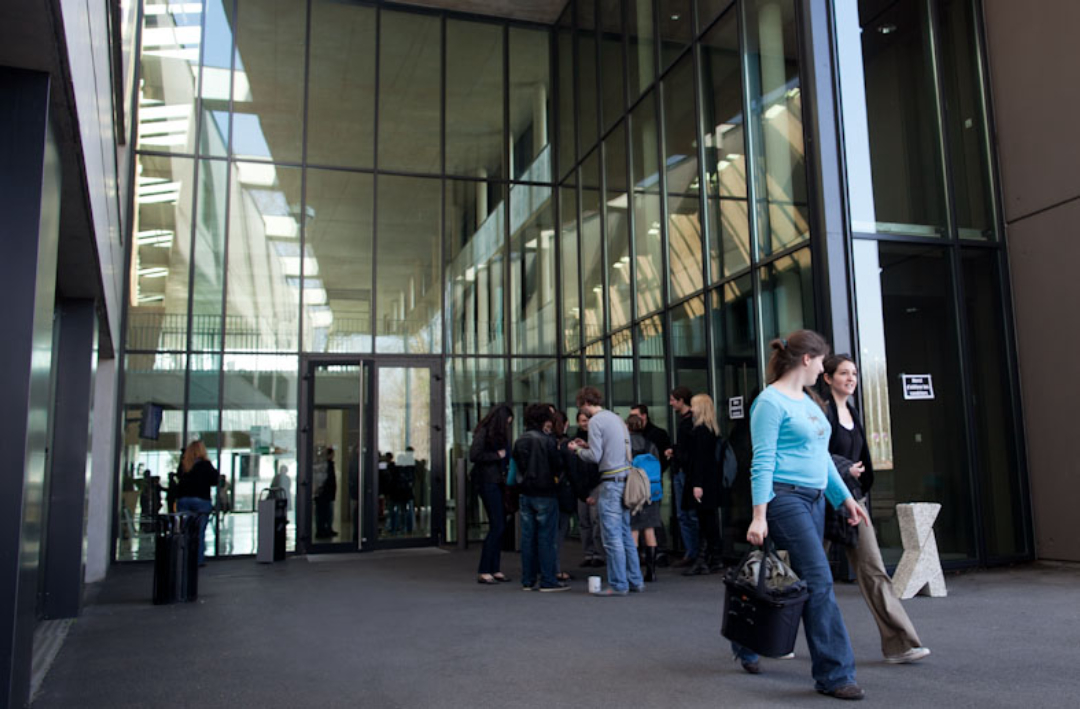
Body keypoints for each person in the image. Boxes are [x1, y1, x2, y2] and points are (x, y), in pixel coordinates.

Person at [731, 330, 869, 701]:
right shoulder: (769, 403)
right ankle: (835, 674)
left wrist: (844, 500)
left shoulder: (810, 402)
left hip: (814, 499)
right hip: (784, 499)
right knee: (819, 580)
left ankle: (745, 643)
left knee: (773, 576)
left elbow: (821, 458)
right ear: (806, 359)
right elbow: (762, 461)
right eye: (822, 363)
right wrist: (759, 516)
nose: (823, 370)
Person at [822, 354, 931, 665]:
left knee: (874, 571)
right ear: (828, 378)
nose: (851, 378)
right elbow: (815, 453)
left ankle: (901, 644)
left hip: (853, 501)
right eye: (844, 373)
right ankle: (773, 636)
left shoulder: (853, 413)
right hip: (825, 501)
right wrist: (845, 469)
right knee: (808, 575)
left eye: (854, 373)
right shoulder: (821, 411)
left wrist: (858, 482)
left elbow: (863, 458)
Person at [568, 387, 644, 596]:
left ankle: (619, 584)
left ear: (584, 403)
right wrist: (587, 445)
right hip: (625, 479)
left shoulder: (595, 421)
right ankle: (635, 580)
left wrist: (577, 450)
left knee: (611, 537)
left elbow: (595, 456)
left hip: (610, 482)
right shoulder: (615, 418)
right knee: (625, 533)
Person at [514, 404, 570, 592]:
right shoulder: (548, 441)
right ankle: (548, 579)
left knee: (528, 538)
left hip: (526, 493)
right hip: (546, 492)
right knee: (547, 538)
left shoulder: (520, 440)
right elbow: (557, 465)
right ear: (545, 420)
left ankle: (528, 580)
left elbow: (519, 466)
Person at [470, 404, 513, 585]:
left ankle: (494, 568)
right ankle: (484, 569)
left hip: (496, 482)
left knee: (500, 525)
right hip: (488, 482)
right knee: (497, 525)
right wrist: (498, 455)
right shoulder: (484, 432)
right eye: (507, 423)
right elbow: (474, 455)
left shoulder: (494, 434)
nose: (508, 427)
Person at [683, 394, 725, 576]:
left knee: (704, 520)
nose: (691, 410)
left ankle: (703, 559)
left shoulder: (700, 431)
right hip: (712, 481)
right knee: (710, 520)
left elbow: (699, 460)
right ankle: (714, 558)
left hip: (702, 482)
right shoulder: (712, 431)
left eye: (693, 406)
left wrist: (697, 484)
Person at [665, 387, 700, 566]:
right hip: (681, 470)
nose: (671, 403)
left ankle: (694, 551)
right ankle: (692, 550)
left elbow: (690, 451)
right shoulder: (685, 421)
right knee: (684, 514)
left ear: (681, 400)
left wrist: (676, 452)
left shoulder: (690, 422)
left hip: (684, 471)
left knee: (688, 514)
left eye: (673, 400)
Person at [627, 414, 661, 582]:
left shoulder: (626, 445)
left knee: (633, 531)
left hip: (634, 492)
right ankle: (651, 571)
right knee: (649, 530)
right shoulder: (651, 445)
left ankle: (634, 572)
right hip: (651, 491)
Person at [175, 440, 219, 566]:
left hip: (184, 499)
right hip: (201, 500)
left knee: (186, 531)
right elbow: (215, 480)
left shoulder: (184, 464)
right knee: (199, 532)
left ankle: (185, 558)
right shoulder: (206, 465)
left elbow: (179, 477)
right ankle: (197, 560)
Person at [572, 411, 604, 568]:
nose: (585, 423)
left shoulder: (597, 437)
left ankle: (598, 553)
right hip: (581, 486)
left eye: (587, 420)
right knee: (584, 521)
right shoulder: (574, 440)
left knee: (596, 520)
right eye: (582, 421)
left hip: (596, 483)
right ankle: (588, 553)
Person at [551, 410, 577, 582]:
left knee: (549, 531)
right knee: (560, 531)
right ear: (566, 424)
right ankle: (555, 569)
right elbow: (573, 471)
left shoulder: (547, 442)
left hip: (548, 491)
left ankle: (546, 567)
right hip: (564, 491)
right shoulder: (567, 445)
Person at [314, 446, 338, 538]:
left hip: (326, 493)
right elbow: (326, 479)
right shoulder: (325, 465)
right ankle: (322, 530)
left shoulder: (328, 464)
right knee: (323, 513)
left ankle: (326, 529)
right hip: (324, 493)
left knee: (326, 513)